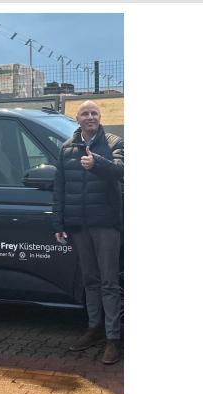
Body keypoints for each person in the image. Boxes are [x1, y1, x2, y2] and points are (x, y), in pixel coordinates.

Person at [52, 100, 124, 365]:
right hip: (78, 224)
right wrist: (58, 223)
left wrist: (96, 163)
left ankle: (113, 339)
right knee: (90, 280)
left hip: (106, 223)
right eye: (85, 113)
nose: (90, 117)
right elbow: (59, 187)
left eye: (94, 113)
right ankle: (94, 328)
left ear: (100, 116)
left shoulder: (115, 142)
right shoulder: (67, 148)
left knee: (109, 283)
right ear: (77, 118)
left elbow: (121, 171)